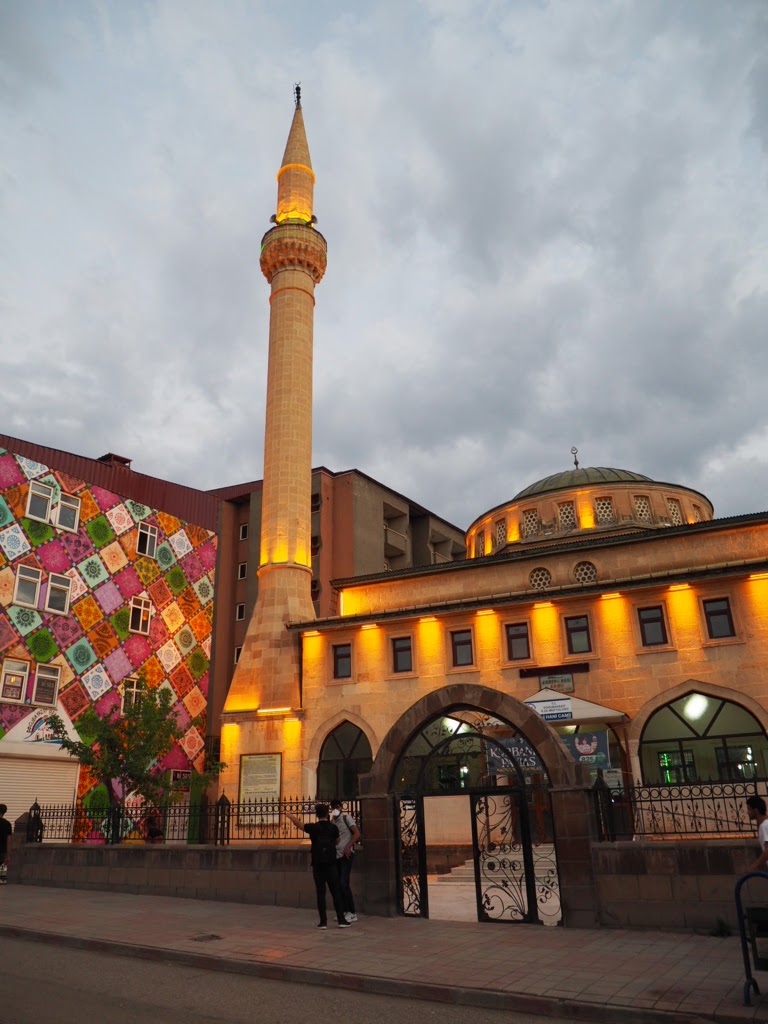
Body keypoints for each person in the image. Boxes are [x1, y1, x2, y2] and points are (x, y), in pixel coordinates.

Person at [286, 803, 350, 929]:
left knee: (321, 893)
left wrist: (290, 816)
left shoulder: (313, 827)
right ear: (327, 814)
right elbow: (337, 841)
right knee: (335, 892)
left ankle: (323, 922)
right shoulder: (333, 828)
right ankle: (341, 920)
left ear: (316, 814)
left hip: (318, 864)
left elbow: (299, 825)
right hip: (331, 864)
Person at [330, 798, 361, 923]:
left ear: (340, 807)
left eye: (336, 807)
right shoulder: (333, 822)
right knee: (338, 884)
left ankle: (352, 912)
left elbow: (357, 834)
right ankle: (343, 911)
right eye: (332, 808)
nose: (334, 810)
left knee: (343, 883)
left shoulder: (346, 818)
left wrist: (348, 846)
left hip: (346, 856)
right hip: (336, 856)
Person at [746, 796, 768, 872]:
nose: (747, 812)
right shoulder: (764, 824)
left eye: (749, 809)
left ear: (755, 811)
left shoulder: (764, 826)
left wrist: (754, 866)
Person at [0, 804, 12, 884]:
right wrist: (8, 855)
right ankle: (2, 881)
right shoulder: (7, 824)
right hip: (2, 850)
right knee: (1, 867)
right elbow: (8, 841)